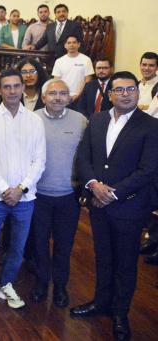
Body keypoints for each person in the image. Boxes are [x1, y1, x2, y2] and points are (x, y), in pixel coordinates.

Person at [71, 72, 158, 340]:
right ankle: (101, 302)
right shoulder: (97, 121)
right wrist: (94, 185)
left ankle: (120, 313)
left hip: (129, 207)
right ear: (110, 95)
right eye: (119, 90)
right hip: (98, 204)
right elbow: (84, 157)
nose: (125, 94)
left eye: (130, 89)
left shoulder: (150, 126)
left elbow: (148, 169)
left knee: (125, 262)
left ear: (137, 92)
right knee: (104, 257)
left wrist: (114, 193)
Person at [0, 69, 46, 310]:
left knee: (18, 248)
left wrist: (21, 189)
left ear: (23, 88)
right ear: (0, 88)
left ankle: (6, 283)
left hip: (25, 199)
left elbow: (40, 160)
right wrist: (6, 189)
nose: (12, 91)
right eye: (7, 86)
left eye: (17, 86)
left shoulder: (35, 121)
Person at [30, 79, 87, 307]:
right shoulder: (32, 120)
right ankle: (42, 283)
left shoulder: (81, 121)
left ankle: (61, 286)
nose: (58, 98)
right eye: (52, 93)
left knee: (64, 245)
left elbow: (87, 156)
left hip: (68, 196)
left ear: (69, 97)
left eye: (63, 93)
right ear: (43, 98)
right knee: (40, 244)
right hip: (38, 195)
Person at [52, 35, 94, 102]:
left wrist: (77, 95)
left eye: (74, 42)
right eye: (69, 43)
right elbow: (56, 81)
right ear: (65, 45)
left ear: (79, 44)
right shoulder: (59, 61)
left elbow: (88, 80)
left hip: (81, 97)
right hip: (62, 97)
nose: (72, 45)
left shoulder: (86, 60)